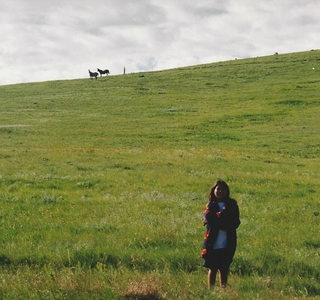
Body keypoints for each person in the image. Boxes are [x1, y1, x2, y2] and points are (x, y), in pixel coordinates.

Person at [200, 179, 240, 288]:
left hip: (228, 242)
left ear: (227, 191)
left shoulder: (232, 205)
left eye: (223, 189)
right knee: (212, 268)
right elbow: (212, 220)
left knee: (224, 268)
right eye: (218, 189)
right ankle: (211, 289)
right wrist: (225, 223)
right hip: (212, 242)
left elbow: (236, 222)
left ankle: (224, 290)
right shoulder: (210, 206)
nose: (220, 191)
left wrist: (222, 222)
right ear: (214, 191)